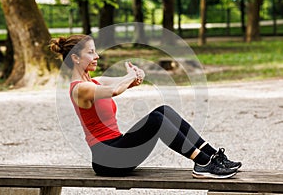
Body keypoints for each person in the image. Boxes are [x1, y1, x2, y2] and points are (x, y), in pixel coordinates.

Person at [50, 34, 241, 179]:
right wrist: (129, 78)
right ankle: (202, 163)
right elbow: (116, 90)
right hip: (107, 159)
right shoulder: (80, 89)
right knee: (156, 121)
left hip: (117, 148)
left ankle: (212, 156)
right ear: (75, 58)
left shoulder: (95, 82)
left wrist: (135, 74)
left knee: (163, 111)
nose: (97, 56)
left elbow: (124, 82)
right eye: (91, 52)